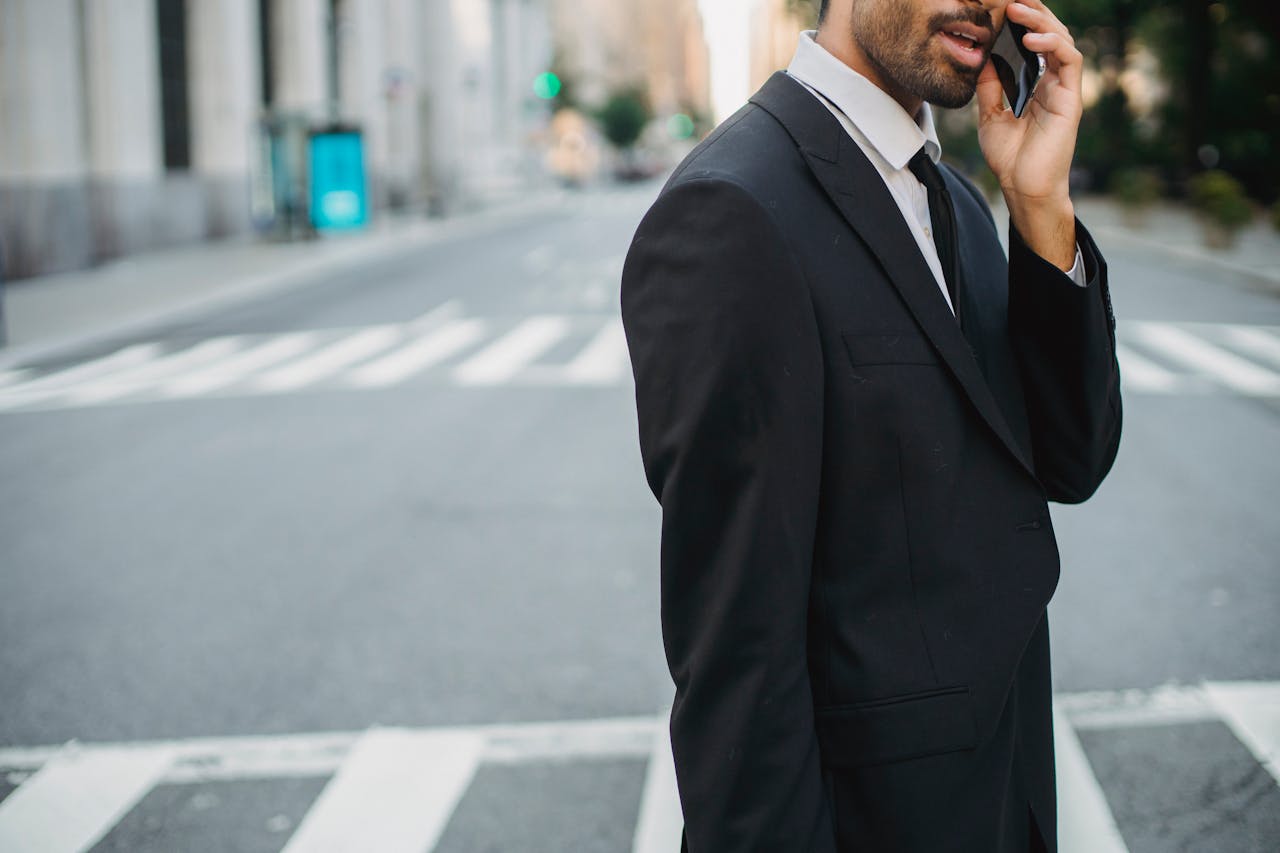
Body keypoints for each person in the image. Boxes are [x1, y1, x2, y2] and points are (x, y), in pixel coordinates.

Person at [620, 0, 1122, 850]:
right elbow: (739, 660)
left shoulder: (959, 200)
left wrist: (1040, 205)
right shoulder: (732, 209)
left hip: (1006, 800)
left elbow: (1071, 459)